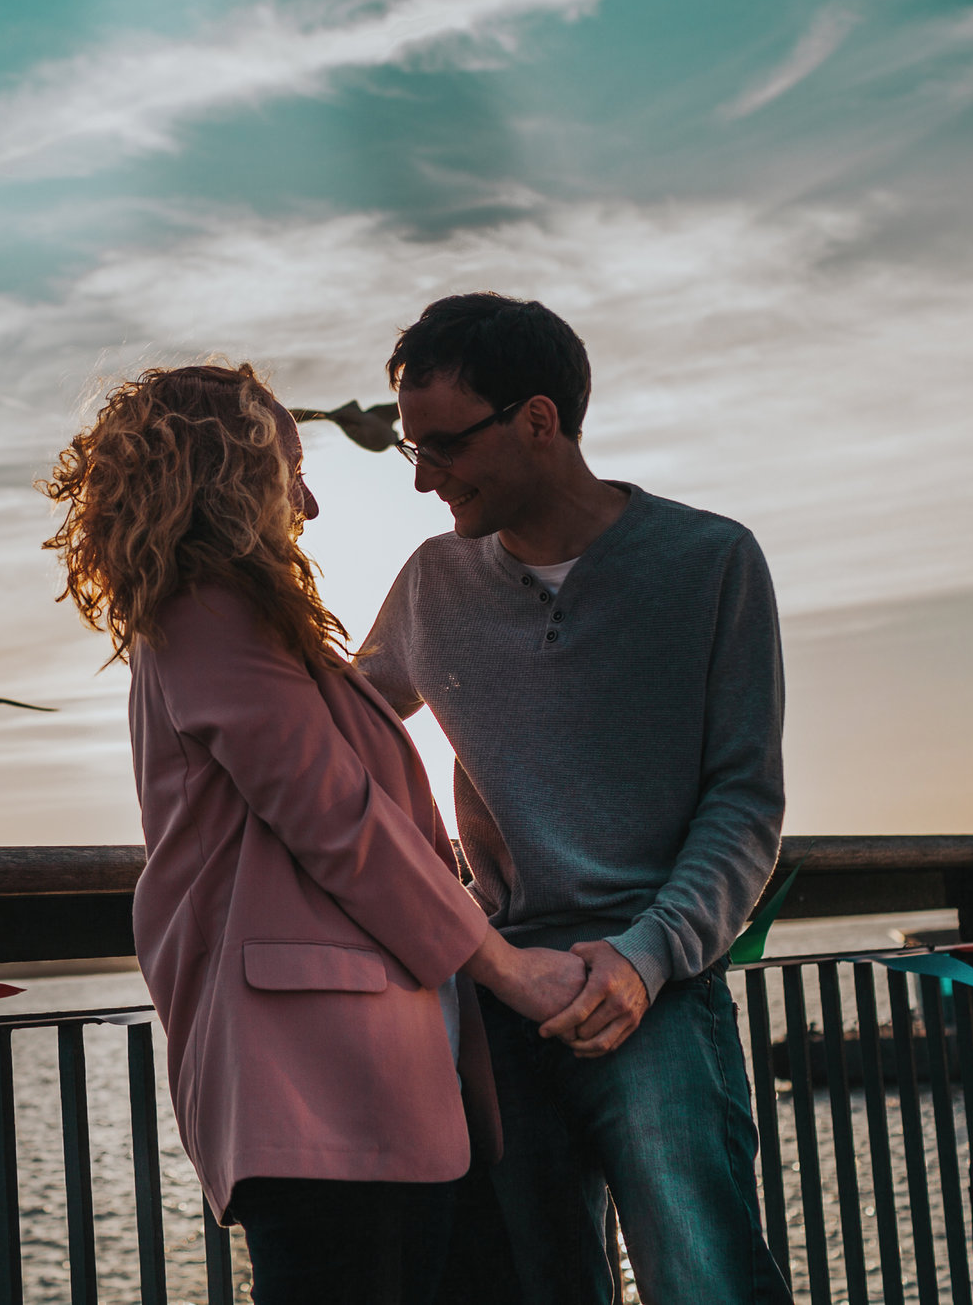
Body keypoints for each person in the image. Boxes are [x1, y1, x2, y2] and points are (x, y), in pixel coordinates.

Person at [43, 362, 591, 1305]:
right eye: (289, 469)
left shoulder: (226, 620)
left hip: (366, 1070)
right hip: (320, 1076)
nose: (310, 501)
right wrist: (505, 964)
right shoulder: (206, 610)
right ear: (229, 475)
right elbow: (336, 818)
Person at [358, 294, 790, 1304]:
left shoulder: (709, 561)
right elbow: (327, 728)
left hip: (656, 991)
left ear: (539, 421)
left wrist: (644, 959)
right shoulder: (431, 582)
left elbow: (743, 801)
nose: (423, 477)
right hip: (497, 996)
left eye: (444, 445)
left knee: (704, 1282)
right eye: (408, 451)